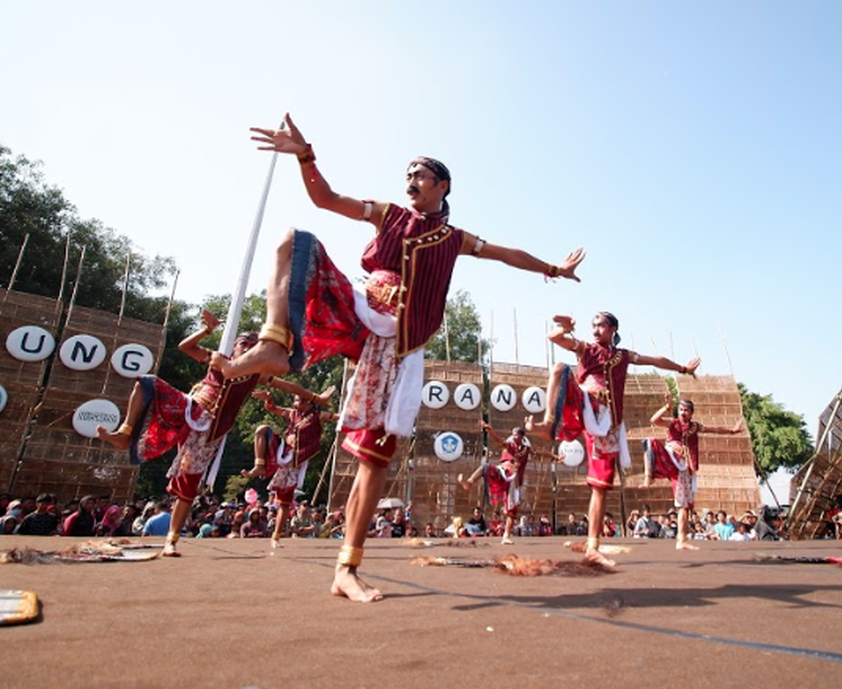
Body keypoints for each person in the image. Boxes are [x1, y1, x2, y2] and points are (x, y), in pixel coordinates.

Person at [220, 113, 584, 602]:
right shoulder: (387, 213)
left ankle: (346, 568)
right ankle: (274, 341)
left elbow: (504, 253)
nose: (410, 180)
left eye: (420, 174)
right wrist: (305, 155)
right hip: (362, 308)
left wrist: (552, 269)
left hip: (402, 340)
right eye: (407, 174)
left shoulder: (454, 239)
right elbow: (325, 198)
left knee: (374, 458)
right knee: (293, 240)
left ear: (442, 185)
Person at [96, 310, 296, 556]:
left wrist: (311, 396)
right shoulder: (216, 358)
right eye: (244, 344)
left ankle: (172, 540)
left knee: (188, 486)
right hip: (189, 408)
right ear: (234, 346)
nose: (247, 349)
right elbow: (185, 346)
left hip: (211, 428)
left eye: (253, 347)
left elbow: (286, 378)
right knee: (146, 382)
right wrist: (207, 330)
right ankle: (125, 433)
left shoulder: (257, 374)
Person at [525, 312, 700, 567]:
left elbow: (655, 360)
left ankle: (592, 545)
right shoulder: (585, 349)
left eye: (601, 325)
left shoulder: (624, 356)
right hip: (585, 406)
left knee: (600, 487)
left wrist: (682, 369)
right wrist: (563, 328)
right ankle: (548, 425)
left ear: (613, 328)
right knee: (560, 368)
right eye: (593, 325)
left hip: (608, 424)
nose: (595, 330)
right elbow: (553, 338)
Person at [242, 384, 338, 546]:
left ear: (308, 402)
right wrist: (269, 398)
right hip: (282, 450)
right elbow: (273, 409)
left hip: (296, 459)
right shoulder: (293, 414)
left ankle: (276, 536)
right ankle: (259, 465)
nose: (295, 401)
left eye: (299, 399)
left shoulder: (317, 415)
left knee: (285, 502)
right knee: (262, 429)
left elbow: (337, 417)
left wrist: (356, 413)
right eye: (295, 399)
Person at [643, 395, 743, 550]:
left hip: (684, 467)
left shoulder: (695, 427)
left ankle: (681, 539)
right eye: (681, 409)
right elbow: (654, 420)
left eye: (686, 410)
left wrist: (732, 431)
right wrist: (666, 408)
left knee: (684, 506)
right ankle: (648, 477)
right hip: (670, 459)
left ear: (691, 413)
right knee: (650, 442)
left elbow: (714, 429)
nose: (683, 412)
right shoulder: (673, 423)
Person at [458, 421, 560, 544]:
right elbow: (498, 440)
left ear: (522, 437)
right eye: (513, 434)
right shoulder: (509, 445)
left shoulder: (526, 449)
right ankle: (469, 482)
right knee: (485, 467)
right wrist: (490, 430)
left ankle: (506, 536)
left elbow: (540, 453)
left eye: (516, 435)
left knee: (512, 512)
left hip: (514, 481)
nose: (513, 436)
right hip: (502, 473)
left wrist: (555, 457)